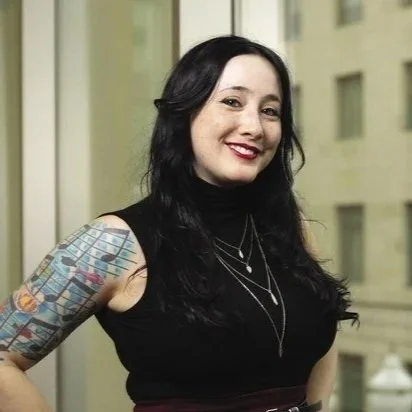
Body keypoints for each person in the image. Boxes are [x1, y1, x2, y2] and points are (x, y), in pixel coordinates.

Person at [0, 35, 358, 412]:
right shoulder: (113, 243)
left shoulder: (288, 226)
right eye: (232, 102)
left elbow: (322, 329)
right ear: (185, 111)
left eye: (270, 111)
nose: (254, 126)